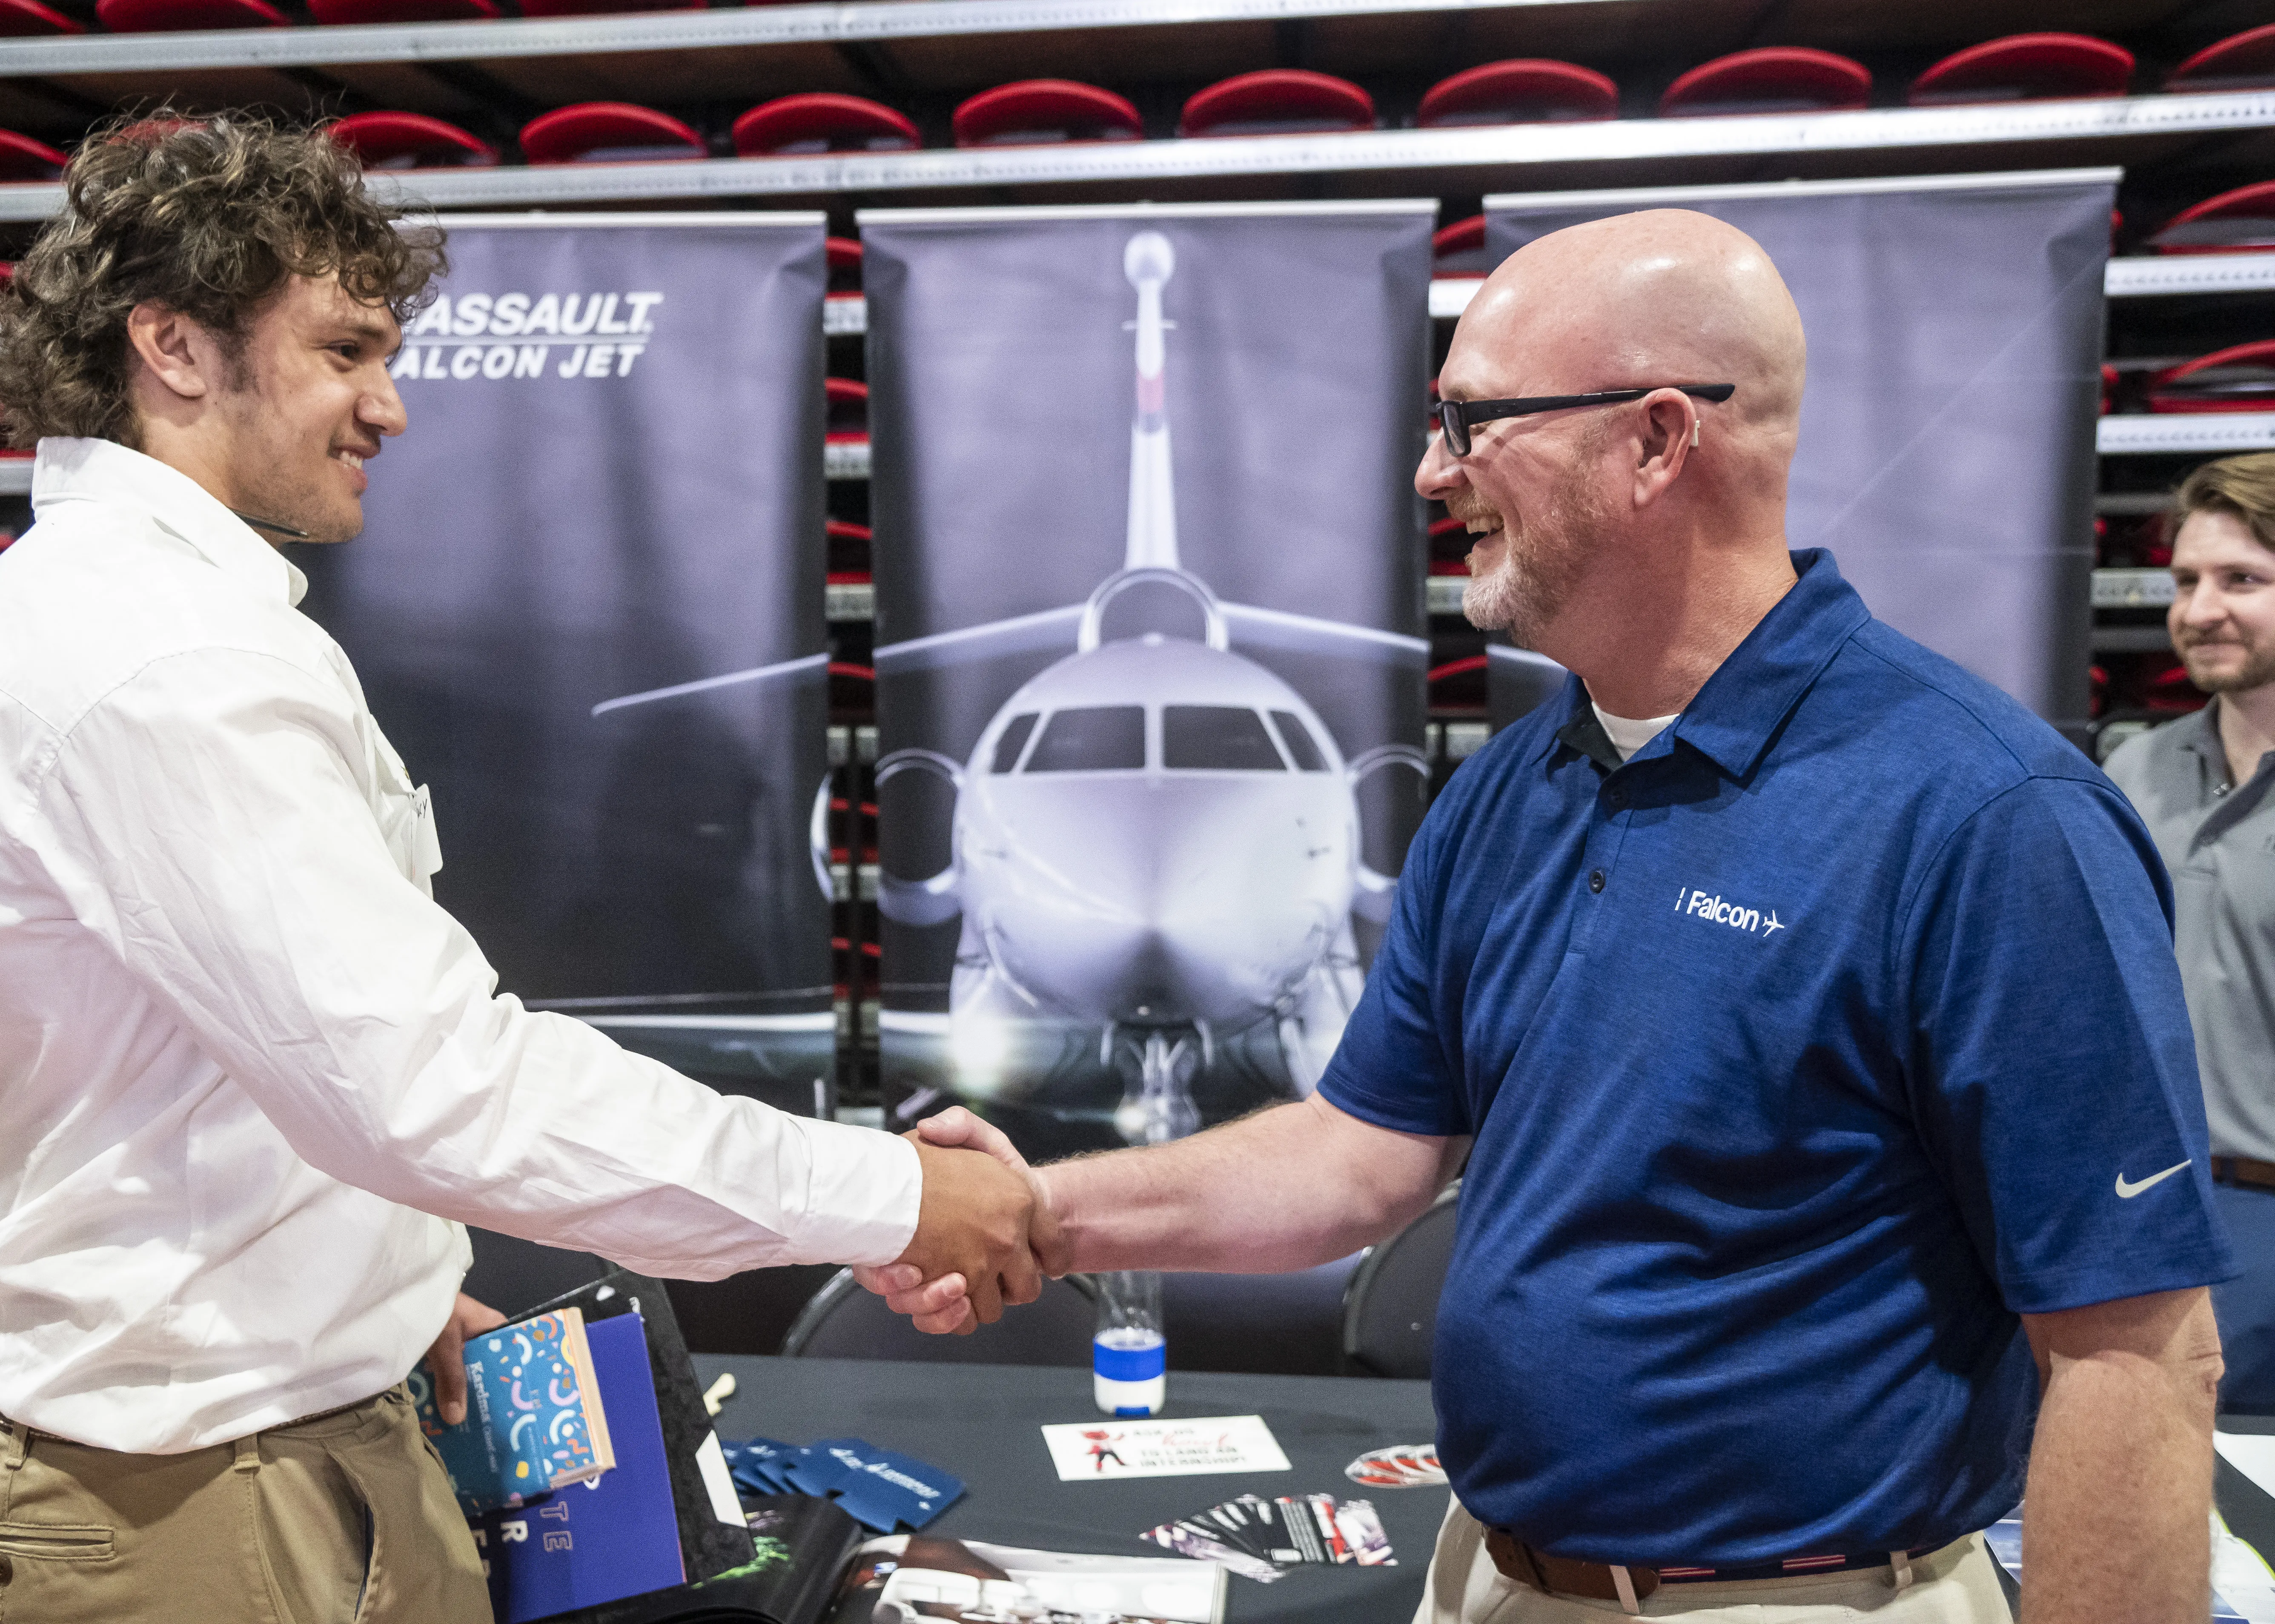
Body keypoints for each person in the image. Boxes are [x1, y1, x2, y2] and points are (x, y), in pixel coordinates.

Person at [871, 209, 2232, 1624]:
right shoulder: (1513, 786)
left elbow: (2135, 1356)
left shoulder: (1985, 818)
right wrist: (1039, 1208)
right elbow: (1355, 1161)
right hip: (1493, 1577)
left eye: (1469, 423)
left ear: (1652, 442)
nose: (1426, 472)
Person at [0, 110, 1037, 1624]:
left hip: (266, 1442)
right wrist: (886, 1194)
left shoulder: (152, 613)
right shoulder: (155, 651)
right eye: (343, 351)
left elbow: (212, 1063)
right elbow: (435, 1087)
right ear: (172, 346)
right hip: (184, 1504)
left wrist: (373, 1281)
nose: (386, 405)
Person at [2106, 453, 2275, 1415]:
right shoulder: (2134, 770)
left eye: (2240, 580)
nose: (2199, 608)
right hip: (2142, 1209)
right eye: (2185, 581)